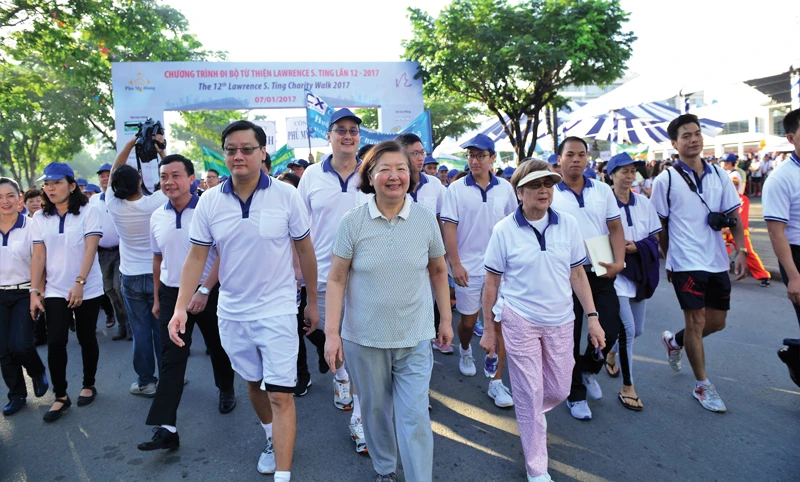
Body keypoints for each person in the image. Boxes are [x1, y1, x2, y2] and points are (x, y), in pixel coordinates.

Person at [170, 120, 318, 480]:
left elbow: (305, 250)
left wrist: (312, 301)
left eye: (247, 149)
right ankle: (271, 437)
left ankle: (283, 474)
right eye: (231, 150)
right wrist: (180, 308)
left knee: (281, 394)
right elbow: (196, 257)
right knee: (253, 384)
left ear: (262, 152)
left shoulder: (287, 196)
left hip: (279, 310)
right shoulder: (209, 202)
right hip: (233, 313)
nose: (238, 156)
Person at [325, 140, 453, 482]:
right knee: (376, 412)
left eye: (401, 169)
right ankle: (384, 469)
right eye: (384, 169)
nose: (394, 176)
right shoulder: (352, 222)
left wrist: (446, 320)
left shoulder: (426, 220)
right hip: (364, 339)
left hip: (414, 336)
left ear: (411, 175)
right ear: (370, 175)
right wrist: (332, 334)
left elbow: (439, 271)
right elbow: (336, 279)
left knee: (414, 417)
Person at [480, 160, 603, 482]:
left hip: (562, 320)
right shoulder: (504, 229)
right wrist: (490, 331)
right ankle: (537, 468)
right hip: (519, 318)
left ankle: (532, 411)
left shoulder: (569, 225)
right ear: (519, 192)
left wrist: (592, 318)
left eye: (548, 183)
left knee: (560, 389)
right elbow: (491, 283)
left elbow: (578, 274)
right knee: (529, 393)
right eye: (535, 185)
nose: (543, 190)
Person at [137, 154, 236, 451]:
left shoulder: (209, 209)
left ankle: (226, 388)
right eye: (164, 176)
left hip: (209, 291)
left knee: (217, 346)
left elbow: (222, 255)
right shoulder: (157, 215)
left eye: (176, 175)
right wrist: (157, 298)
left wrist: (204, 290)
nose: (170, 181)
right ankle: (167, 427)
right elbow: (158, 259)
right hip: (171, 294)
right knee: (171, 356)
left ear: (192, 179)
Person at [650, 114, 747, 413]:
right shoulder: (665, 180)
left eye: (697, 134)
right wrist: (669, 259)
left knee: (717, 322)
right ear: (674, 143)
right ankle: (703, 385)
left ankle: (675, 341)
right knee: (697, 321)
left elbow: (732, 216)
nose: (693, 139)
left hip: (717, 259)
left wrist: (740, 251)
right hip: (685, 262)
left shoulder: (719, 175)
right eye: (686, 136)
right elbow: (660, 227)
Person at [298, 108, 371, 452]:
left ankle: (359, 416)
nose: (347, 135)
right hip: (325, 276)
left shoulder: (372, 172)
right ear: (329, 136)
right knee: (334, 341)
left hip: (368, 275)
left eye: (353, 130)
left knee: (359, 347)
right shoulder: (311, 176)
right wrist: (300, 276)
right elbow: (297, 229)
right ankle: (339, 376)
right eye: (340, 130)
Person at [550, 136, 626, 421]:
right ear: (560, 159)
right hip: (564, 275)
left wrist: (619, 262)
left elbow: (615, 227)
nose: (576, 160)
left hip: (599, 269)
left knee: (610, 329)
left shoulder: (602, 190)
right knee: (568, 335)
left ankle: (587, 368)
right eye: (570, 154)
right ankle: (575, 393)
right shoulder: (551, 192)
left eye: (581, 154)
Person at [441, 133, 518, 408]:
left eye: (480, 155)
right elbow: (449, 227)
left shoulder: (505, 189)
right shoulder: (456, 189)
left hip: (501, 270)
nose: (474, 160)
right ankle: (464, 350)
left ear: (492, 158)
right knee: (469, 322)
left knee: (499, 325)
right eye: (471, 155)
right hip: (468, 269)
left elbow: (514, 224)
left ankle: (496, 381)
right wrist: (455, 263)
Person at [29, 162, 103, 422]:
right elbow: (39, 256)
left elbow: (91, 249)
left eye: (57, 183)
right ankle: (60, 396)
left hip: (88, 287)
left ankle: (88, 384)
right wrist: (34, 290)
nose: (50, 188)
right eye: (47, 184)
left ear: (71, 186)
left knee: (86, 337)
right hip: (55, 289)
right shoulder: (39, 217)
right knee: (56, 341)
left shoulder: (88, 211)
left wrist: (80, 282)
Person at [106, 136, 169, 397]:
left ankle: (146, 381)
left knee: (141, 331)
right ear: (140, 182)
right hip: (157, 275)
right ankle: (169, 377)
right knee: (161, 331)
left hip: (130, 277)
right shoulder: (154, 203)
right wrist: (162, 151)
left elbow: (113, 174)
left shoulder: (113, 204)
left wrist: (130, 144)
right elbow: (173, 179)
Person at [601, 153, 661, 411]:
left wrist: (637, 246)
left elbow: (655, 238)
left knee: (635, 331)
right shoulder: (603, 203)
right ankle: (628, 386)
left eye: (632, 170)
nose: (629, 175)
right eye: (623, 171)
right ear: (611, 174)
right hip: (615, 275)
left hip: (639, 273)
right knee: (627, 331)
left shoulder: (644, 203)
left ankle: (612, 352)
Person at [0, 177, 49, 416]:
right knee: (3, 350)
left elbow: (39, 259)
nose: (5, 201)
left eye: (10, 195)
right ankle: (17, 394)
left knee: (20, 344)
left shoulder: (31, 225)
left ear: (19, 198)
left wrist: (35, 293)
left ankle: (37, 371)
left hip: (24, 292)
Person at [396, 133, 448, 353]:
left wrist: (443, 254)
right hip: (398, 260)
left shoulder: (434, 185)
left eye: (422, 153)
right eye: (415, 153)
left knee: (425, 309)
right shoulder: (393, 183)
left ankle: (419, 365)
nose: (420, 158)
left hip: (428, 259)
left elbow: (442, 220)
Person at [763, 109, 800, 383]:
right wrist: (794, 276)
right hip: (796, 256)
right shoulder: (780, 178)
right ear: (791, 138)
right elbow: (776, 233)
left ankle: (795, 356)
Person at [89, 162, 130, 340]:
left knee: (119, 288)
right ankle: (122, 324)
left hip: (121, 250)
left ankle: (131, 326)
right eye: (102, 176)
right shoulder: (93, 200)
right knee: (109, 290)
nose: (105, 179)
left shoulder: (122, 197)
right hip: (102, 252)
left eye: (108, 175)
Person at [721, 155, 771, 287]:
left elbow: (740, 217)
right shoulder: (720, 198)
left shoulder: (742, 199)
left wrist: (728, 227)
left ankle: (763, 276)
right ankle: (721, 277)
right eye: (731, 184)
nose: (733, 186)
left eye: (735, 184)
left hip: (738, 231)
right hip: (723, 231)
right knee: (720, 253)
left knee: (748, 253)